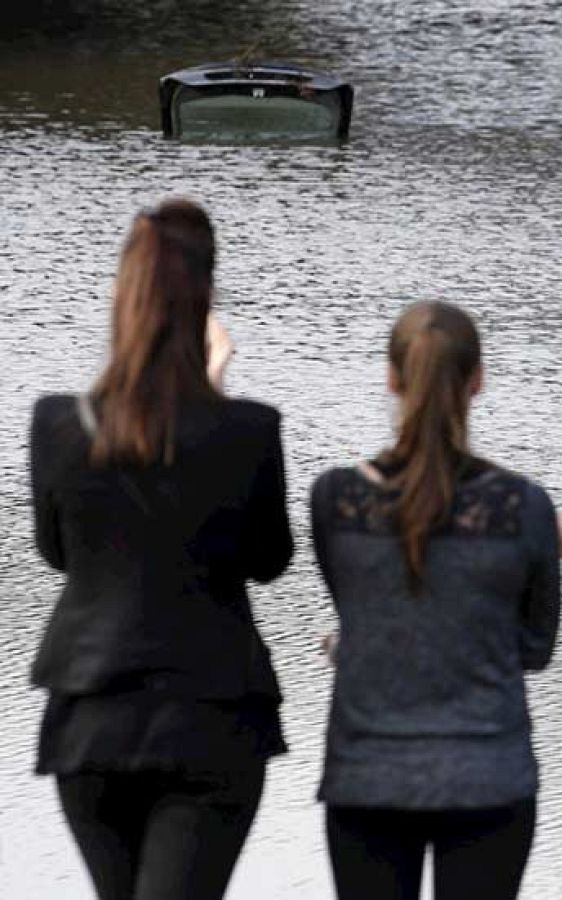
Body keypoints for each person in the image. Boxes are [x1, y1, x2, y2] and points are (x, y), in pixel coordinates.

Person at [28, 199, 292, 900]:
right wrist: (217, 394)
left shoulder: (59, 424)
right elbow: (268, 558)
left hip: (91, 718)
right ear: (205, 303)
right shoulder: (248, 430)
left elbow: (60, 553)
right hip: (211, 718)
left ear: (125, 298)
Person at [311, 300, 560, 900]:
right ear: (477, 382)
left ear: (392, 379)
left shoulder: (335, 499)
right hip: (488, 778)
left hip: (367, 777)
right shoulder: (523, 508)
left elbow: (357, 611)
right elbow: (535, 647)